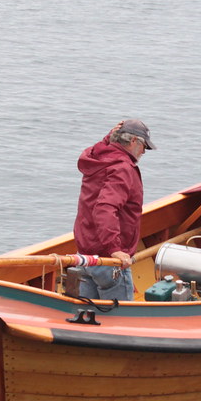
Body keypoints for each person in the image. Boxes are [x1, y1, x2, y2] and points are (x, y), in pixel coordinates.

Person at [73, 118, 156, 301]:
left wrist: (108, 138)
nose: (144, 152)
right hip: (108, 261)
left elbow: (101, 150)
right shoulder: (122, 168)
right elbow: (104, 208)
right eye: (144, 146)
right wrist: (115, 249)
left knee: (87, 314)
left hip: (86, 255)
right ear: (133, 141)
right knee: (119, 319)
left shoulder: (98, 158)